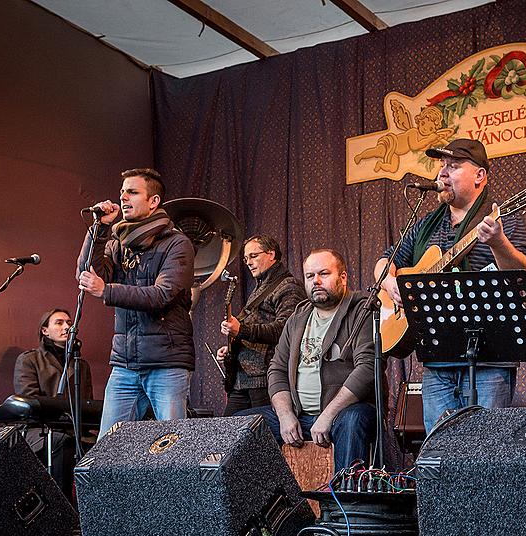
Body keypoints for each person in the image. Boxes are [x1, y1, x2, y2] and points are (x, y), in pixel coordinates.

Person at [374, 138, 526, 432]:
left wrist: (498, 242)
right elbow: (385, 261)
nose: (443, 174)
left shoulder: (505, 218)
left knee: (486, 446)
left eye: (454, 166)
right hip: (438, 356)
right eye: (442, 166)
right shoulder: (425, 225)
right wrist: (391, 283)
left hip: (490, 356)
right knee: (439, 446)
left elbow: (518, 274)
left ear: (480, 176)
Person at [77, 168, 195, 438]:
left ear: (153, 202)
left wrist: (107, 291)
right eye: (122, 192)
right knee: (108, 447)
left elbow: (162, 294)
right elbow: (87, 272)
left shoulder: (177, 244)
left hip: (166, 364)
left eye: (132, 192)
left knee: (172, 447)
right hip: (125, 366)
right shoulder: (119, 240)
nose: (123, 198)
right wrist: (100, 227)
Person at [257, 249, 375, 472]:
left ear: (343, 277)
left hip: (344, 414)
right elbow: (277, 369)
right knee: (245, 425)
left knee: (353, 420)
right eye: (310, 276)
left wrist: (328, 415)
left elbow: (367, 369)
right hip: (299, 416)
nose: (316, 281)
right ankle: (276, 504)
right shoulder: (298, 317)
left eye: (324, 273)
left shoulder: (363, 310)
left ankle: (344, 502)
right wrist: (285, 415)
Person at [215, 235, 305, 415]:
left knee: (263, 436)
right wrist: (232, 346)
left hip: (266, 379)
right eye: (246, 258)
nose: (248, 262)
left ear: (271, 254)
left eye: (254, 256)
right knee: (227, 433)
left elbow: (285, 330)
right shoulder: (261, 286)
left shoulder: (288, 286)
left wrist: (241, 330)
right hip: (243, 379)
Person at [13, 308, 94, 498]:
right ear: (45, 330)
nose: (67, 327)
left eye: (69, 323)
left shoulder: (81, 364)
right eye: (59, 322)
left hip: (74, 431)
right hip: (38, 430)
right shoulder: (29, 359)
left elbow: (87, 405)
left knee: (102, 447)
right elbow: (29, 401)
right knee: (61, 442)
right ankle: (60, 508)